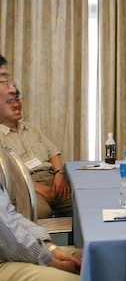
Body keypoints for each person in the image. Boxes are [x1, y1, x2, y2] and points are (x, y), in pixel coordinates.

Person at [0, 54, 80, 281]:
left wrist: (49, 247)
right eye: (3, 81)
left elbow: (8, 217)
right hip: (5, 260)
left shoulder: (31, 129)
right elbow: (7, 236)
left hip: (8, 253)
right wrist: (49, 256)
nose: (13, 90)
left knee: (94, 261)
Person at [0, 87, 72, 219]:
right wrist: (38, 188)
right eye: (10, 101)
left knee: (84, 204)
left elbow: (53, 153)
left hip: (52, 178)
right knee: (40, 212)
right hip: (24, 185)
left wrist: (59, 176)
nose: (16, 105)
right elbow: (6, 176)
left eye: (17, 99)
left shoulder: (32, 128)